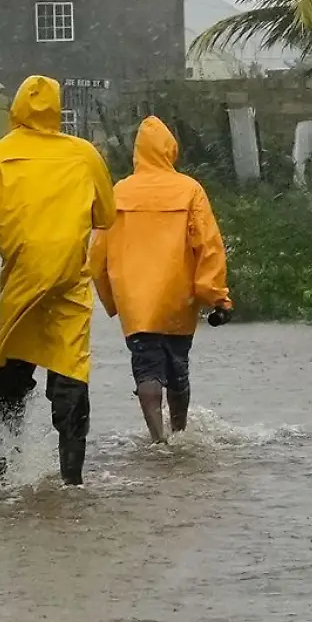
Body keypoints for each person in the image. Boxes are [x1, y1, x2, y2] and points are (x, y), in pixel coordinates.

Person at [0, 75, 116, 486]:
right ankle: (72, 476)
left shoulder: (1, 154)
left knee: (13, 362)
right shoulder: (84, 154)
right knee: (70, 366)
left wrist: (15, 247)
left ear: (17, 107)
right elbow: (106, 216)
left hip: (21, 274)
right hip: (71, 278)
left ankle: (4, 467)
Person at [91, 115, 232, 444]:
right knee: (177, 368)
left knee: (146, 368)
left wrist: (114, 302)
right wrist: (216, 296)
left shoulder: (119, 192)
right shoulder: (189, 190)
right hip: (177, 299)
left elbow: (96, 256)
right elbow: (208, 246)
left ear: (137, 152)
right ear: (171, 149)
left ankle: (158, 440)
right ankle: (180, 433)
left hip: (136, 303)